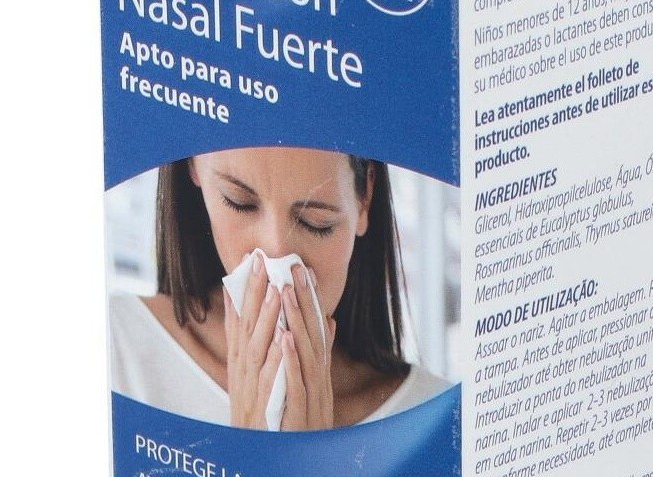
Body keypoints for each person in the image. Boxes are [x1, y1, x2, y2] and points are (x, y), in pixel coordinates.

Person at [109, 146, 448, 428]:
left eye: (316, 224)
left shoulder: (435, 418)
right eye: (239, 202)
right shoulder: (114, 353)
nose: (276, 256)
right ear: (193, 165)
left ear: (364, 199)